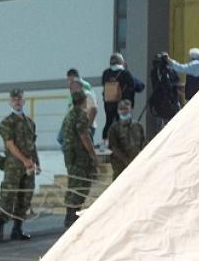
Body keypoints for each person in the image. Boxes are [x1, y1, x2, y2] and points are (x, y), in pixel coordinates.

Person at [0, 88, 39, 243]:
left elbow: (32, 145)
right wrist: (25, 160)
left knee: (25, 197)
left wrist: (36, 163)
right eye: (14, 100)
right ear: (9, 102)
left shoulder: (30, 123)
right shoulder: (6, 123)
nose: (17, 102)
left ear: (24, 101)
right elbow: (10, 144)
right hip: (13, 167)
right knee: (8, 197)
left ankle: (17, 229)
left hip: (28, 167)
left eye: (19, 99)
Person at [60, 90, 97, 231]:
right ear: (84, 101)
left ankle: (69, 215)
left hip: (70, 156)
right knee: (80, 185)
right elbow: (84, 136)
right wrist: (93, 154)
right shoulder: (81, 116)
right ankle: (73, 216)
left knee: (73, 184)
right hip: (80, 157)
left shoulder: (69, 116)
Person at [100, 53, 144, 140]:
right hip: (122, 104)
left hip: (109, 103)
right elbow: (138, 86)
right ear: (122, 62)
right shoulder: (125, 73)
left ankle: (105, 141)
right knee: (123, 124)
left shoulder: (106, 73)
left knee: (108, 122)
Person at [106, 99, 145, 179]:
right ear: (118, 111)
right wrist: (126, 161)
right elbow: (113, 147)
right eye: (121, 109)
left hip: (136, 164)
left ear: (131, 109)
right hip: (120, 166)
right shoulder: (114, 128)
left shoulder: (138, 126)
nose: (124, 111)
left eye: (126, 109)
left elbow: (143, 144)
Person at [65, 70, 98, 143]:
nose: (71, 89)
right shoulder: (74, 95)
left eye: (72, 87)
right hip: (75, 125)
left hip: (84, 125)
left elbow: (93, 109)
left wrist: (88, 126)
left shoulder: (87, 94)